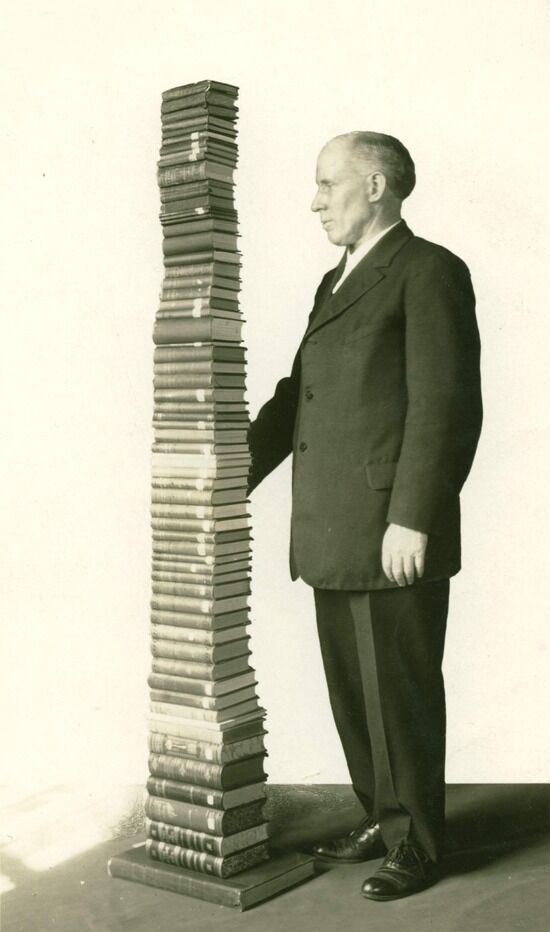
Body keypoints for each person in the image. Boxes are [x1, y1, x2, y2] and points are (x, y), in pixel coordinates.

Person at [247, 132, 482, 901]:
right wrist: (233, 471)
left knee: (398, 691)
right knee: (354, 689)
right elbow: (299, 392)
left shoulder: (428, 270)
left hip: (390, 527)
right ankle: (384, 818)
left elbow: (446, 407)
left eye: (326, 184)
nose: (315, 201)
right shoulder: (335, 280)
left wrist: (414, 516)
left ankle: (416, 841)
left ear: (376, 185)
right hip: (332, 524)